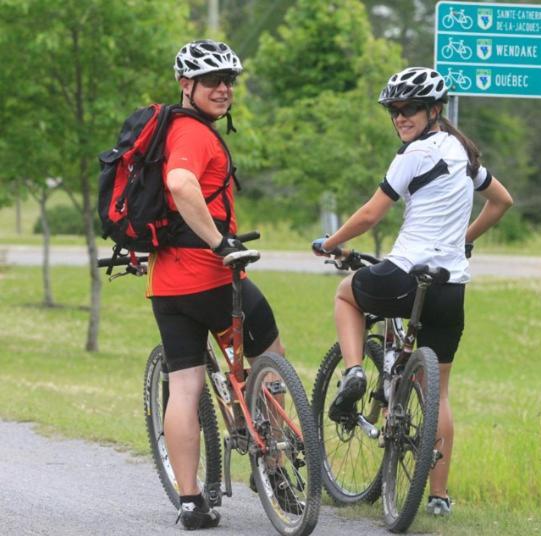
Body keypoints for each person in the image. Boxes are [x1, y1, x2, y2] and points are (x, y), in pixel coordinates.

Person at [312, 67, 513, 517]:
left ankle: (353, 372)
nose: (401, 117)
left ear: (433, 111)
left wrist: (330, 244)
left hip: (403, 273)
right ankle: (438, 497)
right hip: (449, 286)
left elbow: (369, 215)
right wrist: (464, 241)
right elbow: (502, 201)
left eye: (410, 109)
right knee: (437, 393)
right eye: (394, 110)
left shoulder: (414, 155)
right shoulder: (464, 154)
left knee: (346, 295)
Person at [147, 39, 285, 530]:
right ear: (187, 85)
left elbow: (160, 199)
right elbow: (181, 186)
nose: (224, 89)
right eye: (212, 81)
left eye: (229, 80)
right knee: (273, 361)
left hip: (167, 286)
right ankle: (276, 471)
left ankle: (191, 504)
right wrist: (220, 243)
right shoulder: (194, 136)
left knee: (183, 388)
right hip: (211, 278)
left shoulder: (161, 133)